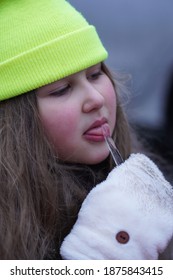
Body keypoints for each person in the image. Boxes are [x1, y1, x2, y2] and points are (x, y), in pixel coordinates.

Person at [0, 0, 173, 260]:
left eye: (95, 75)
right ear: (15, 123)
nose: (96, 99)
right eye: (61, 90)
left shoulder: (140, 184)